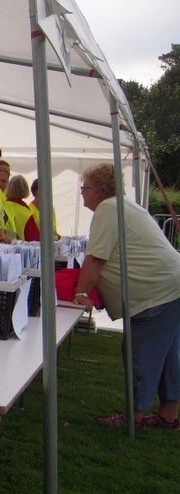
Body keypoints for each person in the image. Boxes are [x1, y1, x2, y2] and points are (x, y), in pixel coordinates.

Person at [74, 163, 180, 429]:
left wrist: (81, 292)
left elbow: (96, 258)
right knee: (169, 354)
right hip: (170, 286)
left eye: (85, 188)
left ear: (99, 190)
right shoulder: (123, 206)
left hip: (155, 293)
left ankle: (135, 415)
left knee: (138, 352)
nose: (82, 193)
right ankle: (168, 416)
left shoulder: (107, 209)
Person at [2, 174, 32, 241]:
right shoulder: (26, 213)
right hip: (19, 247)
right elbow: (35, 240)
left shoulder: (2, 205)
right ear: (25, 189)